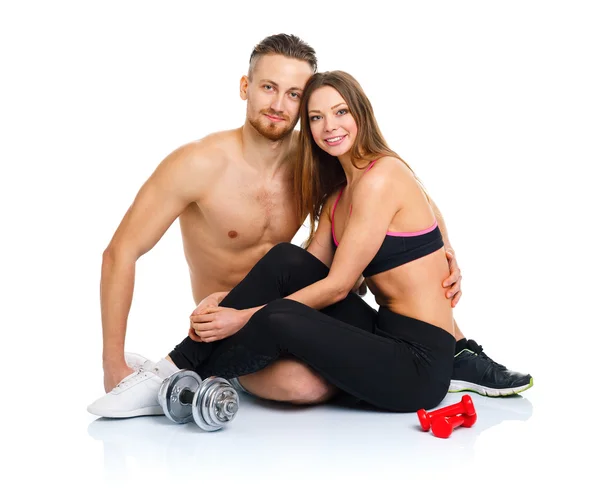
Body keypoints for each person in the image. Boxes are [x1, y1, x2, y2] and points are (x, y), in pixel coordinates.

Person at [88, 34, 531, 418]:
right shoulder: (205, 164)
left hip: (355, 338)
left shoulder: (329, 165)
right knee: (286, 270)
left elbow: (411, 196)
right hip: (258, 318)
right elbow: (120, 253)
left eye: (295, 95)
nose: (281, 106)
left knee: (306, 382)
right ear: (246, 88)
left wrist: (446, 252)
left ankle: (174, 376)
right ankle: (165, 375)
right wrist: (113, 365)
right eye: (268, 88)